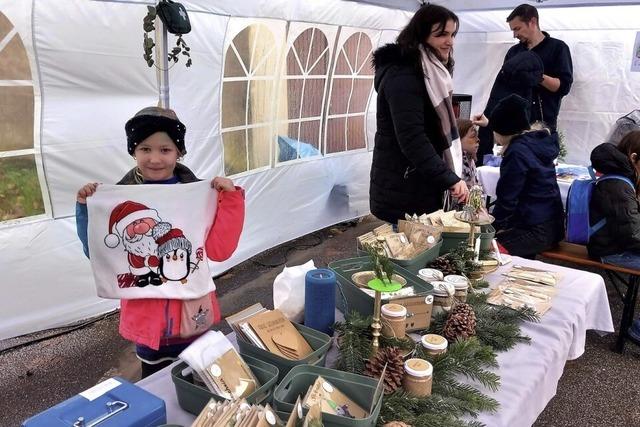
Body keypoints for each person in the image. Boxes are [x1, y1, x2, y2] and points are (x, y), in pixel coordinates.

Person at [76, 106, 245, 378]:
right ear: (134, 151)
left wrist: (231, 200)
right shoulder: (117, 199)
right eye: (145, 149)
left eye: (165, 150)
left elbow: (220, 249)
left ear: (179, 152)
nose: (155, 158)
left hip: (192, 317)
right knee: (155, 384)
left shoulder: (200, 196)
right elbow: (97, 253)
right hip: (148, 325)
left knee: (200, 381)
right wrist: (87, 208)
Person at [370, 4, 468, 224]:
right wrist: (448, 178)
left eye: (452, 34)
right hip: (404, 189)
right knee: (407, 256)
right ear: (421, 35)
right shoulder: (404, 75)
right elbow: (412, 138)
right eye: (442, 34)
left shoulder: (429, 71)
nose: (450, 41)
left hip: (417, 186)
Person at [476, 3, 573, 165]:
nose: (515, 34)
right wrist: (490, 116)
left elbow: (563, 87)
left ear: (532, 22)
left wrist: (537, 75)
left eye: (517, 28)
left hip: (541, 127)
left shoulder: (557, 48)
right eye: (513, 30)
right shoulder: (514, 52)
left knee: (537, 174)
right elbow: (503, 87)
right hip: (514, 129)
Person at [489, 94, 564, 258]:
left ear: (501, 130)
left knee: (486, 249)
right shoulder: (534, 143)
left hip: (535, 230)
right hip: (553, 226)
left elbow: (507, 198)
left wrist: (489, 229)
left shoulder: (517, 153)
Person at [457, 119, 480, 189]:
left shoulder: (470, 159)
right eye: (473, 136)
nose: (478, 139)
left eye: (477, 135)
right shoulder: (456, 166)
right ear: (459, 140)